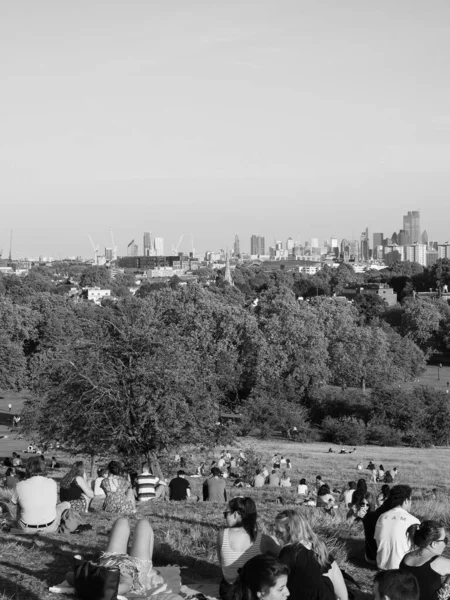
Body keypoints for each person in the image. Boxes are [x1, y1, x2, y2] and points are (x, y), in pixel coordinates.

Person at [65, 517, 164, 596]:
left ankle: (150, 569)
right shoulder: (114, 585)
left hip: (111, 560)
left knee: (122, 521)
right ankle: (149, 570)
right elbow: (124, 587)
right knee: (143, 524)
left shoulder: (87, 580)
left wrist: (85, 575)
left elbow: (69, 576)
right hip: (136, 569)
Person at [275, 510, 348, 600]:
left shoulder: (290, 551)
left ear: (292, 530)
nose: (278, 536)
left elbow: (275, 580)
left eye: (280, 532)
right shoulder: (318, 546)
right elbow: (335, 571)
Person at [218, 496, 280, 600]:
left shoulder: (222, 535)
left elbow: (221, 561)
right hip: (252, 593)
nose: (224, 517)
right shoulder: (263, 539)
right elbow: (283, 559)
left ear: (236, 514)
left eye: (226, 514)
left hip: (227, 592)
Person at [10, 456, 70, 533]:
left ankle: (19, 527)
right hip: (50, 527)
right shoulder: (52, 483)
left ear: (28, 469)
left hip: (26, 528)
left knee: (20, 503)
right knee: (66, 504)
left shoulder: (20, 485)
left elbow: (13, 503)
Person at [400, 520, 450, 600]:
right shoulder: (437, 562)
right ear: (434, 544)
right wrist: (446, 587)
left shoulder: (406, 557)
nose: (445, 544)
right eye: (445, 540)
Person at [374, 485, 420, 570]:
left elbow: (378, 539)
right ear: (406, 500)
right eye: (411, 499)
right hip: (401, 567)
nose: (411, 503)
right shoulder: (413, 521)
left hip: (381, 565)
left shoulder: (382, 517)